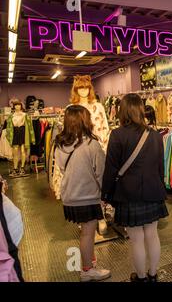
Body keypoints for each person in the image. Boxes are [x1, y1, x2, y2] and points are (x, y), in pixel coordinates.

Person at [102, 94, 168, 282]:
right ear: (141, 109)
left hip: (127, 194)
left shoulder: (117, 135)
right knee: (152, 235)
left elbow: (111, 168)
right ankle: (153, 274)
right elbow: (159, 166)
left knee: (136, 239)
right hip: (153, 191)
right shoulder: (155, 135)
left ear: (122, 110)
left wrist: (105, 194)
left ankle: (140, 278)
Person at [54, 105, 111, 282]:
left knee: (84, 233)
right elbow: (101, 173)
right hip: (87, 197)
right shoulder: (91, 144)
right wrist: (106, 196)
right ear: (84, 121)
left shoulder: (60, 144)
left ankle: (89, 262)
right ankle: (87, 270)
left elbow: (62, 169)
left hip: (70, 197)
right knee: (88, 234)